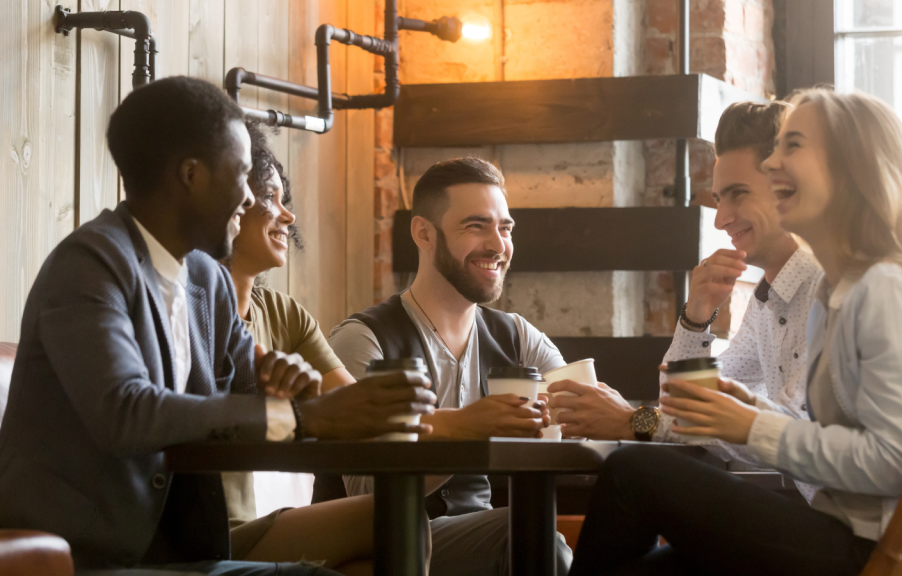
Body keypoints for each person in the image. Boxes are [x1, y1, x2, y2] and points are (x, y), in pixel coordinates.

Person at [565, 88, 902, 576]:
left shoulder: (882, 289)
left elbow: (894, 460)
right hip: (845, 537)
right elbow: (691, 408)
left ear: (848, 172)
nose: (777, 164)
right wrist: (702, 331)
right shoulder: (828, 290)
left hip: (877, 552)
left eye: (793, 147)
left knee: (633, 472)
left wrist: (741, 422)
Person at [0, 76, 435, 575]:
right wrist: (306, 418)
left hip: (186, 548)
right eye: (242, 174)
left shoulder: (206, 279)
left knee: (395, 522)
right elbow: (126, 413)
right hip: (91, 555)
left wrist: (290, 390)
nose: (251, 200)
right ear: (191, 175)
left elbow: (248, 396)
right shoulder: (91, 265)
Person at [547, 103, 821, 488]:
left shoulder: (826, 291)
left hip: (840, 529)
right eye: (718, 198)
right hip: (808, 514)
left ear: (788, 187)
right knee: (635, 471)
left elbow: (787, 436)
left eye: (738, 194)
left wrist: (632, 421)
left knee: (634, 469)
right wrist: (695, 318)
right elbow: (686, 409)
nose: (720, 218)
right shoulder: (770, 299)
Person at [326, 157, 574, 576]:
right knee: (533, 539)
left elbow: (579, 406)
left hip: (477, 534)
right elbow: (364, 492)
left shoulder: (517, 336)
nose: (498, 244)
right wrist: (469, 427)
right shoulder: (363, 338)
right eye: (476, 226)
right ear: (424, 233)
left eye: (505, 228)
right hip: (383, 536)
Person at [219, 120, 393, 575]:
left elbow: (358, 414)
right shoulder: (185, 305)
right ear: (231, 201)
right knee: (389, 515)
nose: (287, 215)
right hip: (215, 531)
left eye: (284, 199)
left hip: (271, 525)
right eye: (270, 198)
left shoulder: (285, 314)